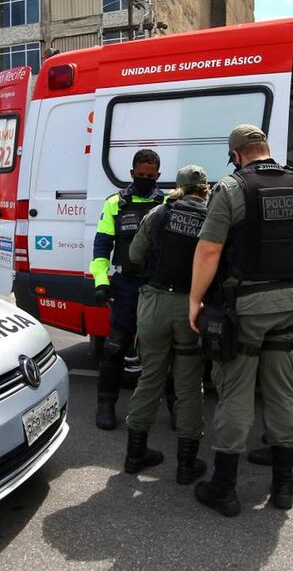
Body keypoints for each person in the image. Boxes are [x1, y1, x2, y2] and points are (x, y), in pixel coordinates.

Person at [188, 124, 293, 516]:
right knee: (282, 389)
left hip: (245, 307)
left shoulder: (232, 189)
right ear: (265, 149)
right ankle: (284, 486)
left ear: (236, 154)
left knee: (235, 392)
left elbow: (208, 250)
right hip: (289, 303)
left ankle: (224, 488)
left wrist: (195, 301)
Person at [123, 165, 210, 484]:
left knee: (149, 379)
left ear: (180, 186)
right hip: (190, 307)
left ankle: (135, 456)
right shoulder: (211, 216)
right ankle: (186, 466)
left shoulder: (158, 214)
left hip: (154, 305)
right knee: (188, 386)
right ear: (204, 189)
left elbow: (134, 254)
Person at [90, 149, 165, 430]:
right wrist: (101, 281)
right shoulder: (115, 204)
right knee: (114, 348)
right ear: (132, 173)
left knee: (165, 350)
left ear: (158, 176)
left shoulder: (167, 204)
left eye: (150, 176)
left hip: (158, 287)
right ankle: (106, 405)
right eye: (140, 175)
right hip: (125, 286)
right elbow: (101, 248)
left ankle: (177, 410)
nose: (145, 179)